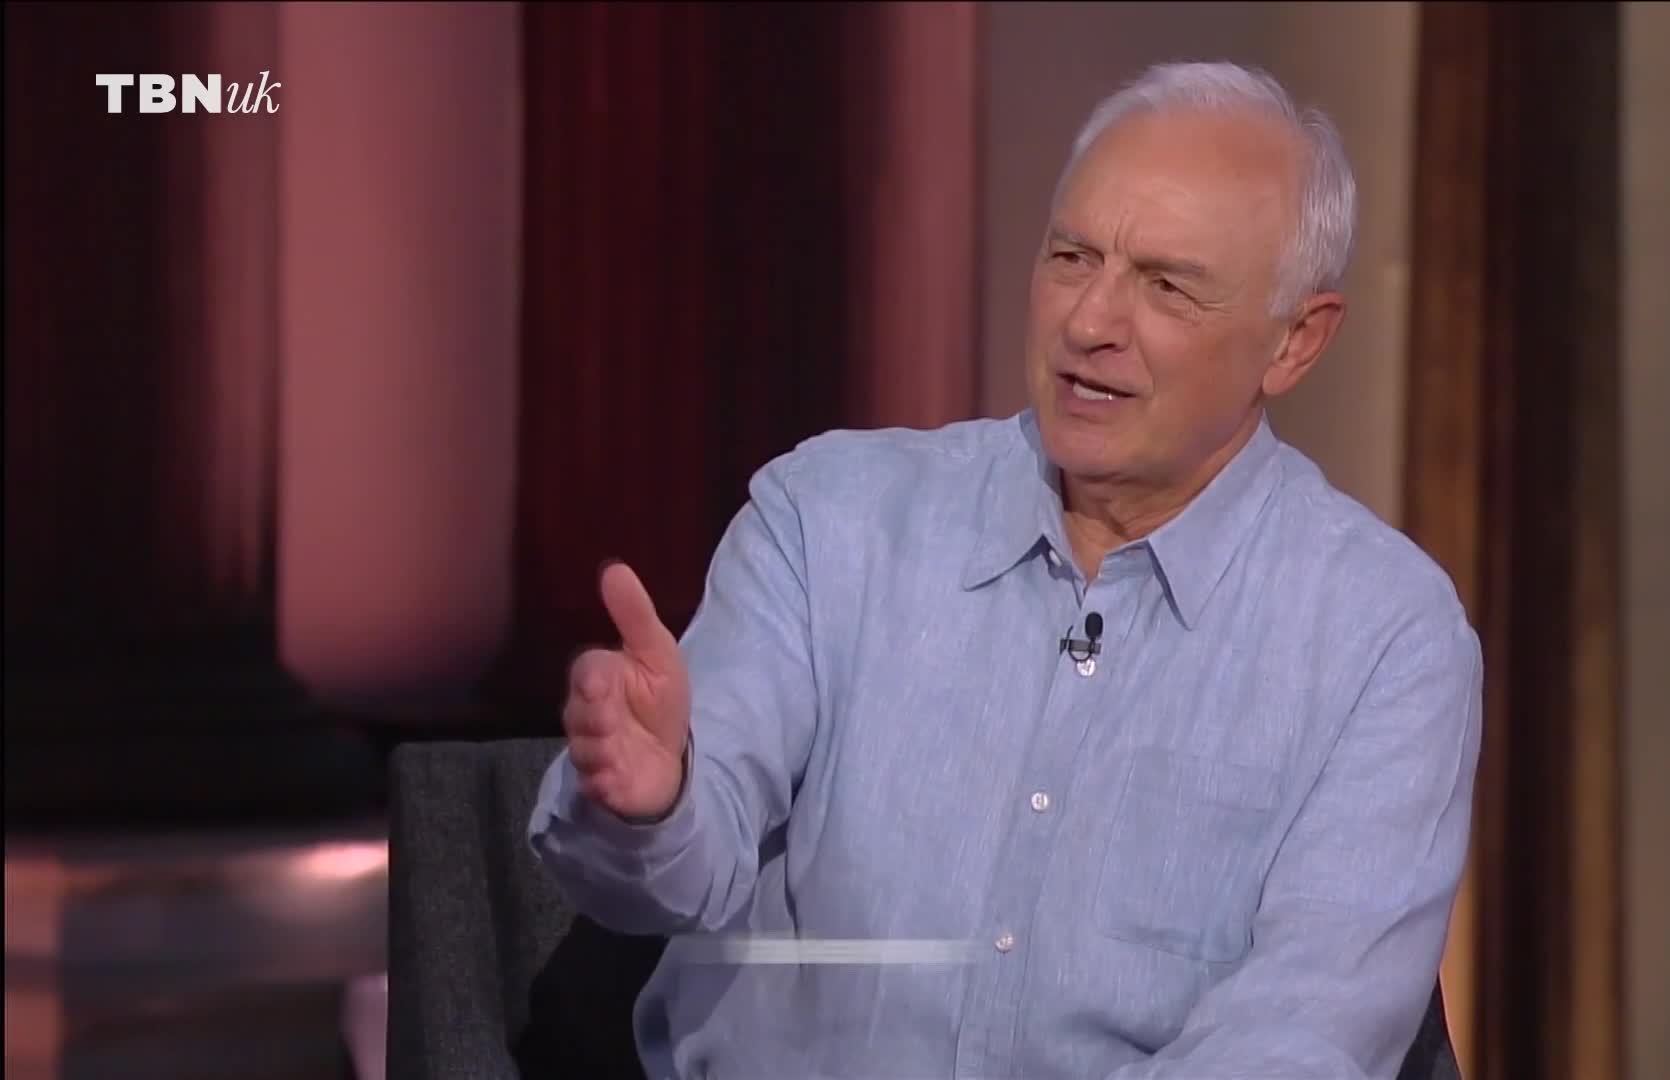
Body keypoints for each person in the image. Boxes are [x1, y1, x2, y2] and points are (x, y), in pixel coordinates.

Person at [529, 60, 1483, 1079]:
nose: (1089, 323)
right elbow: (667, 883)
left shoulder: (1384, 638)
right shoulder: (832, 520)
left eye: (1165, 285)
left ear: (1295, 342)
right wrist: (657, 801)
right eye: (1071, 257)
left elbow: (1302, 1039)